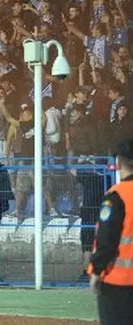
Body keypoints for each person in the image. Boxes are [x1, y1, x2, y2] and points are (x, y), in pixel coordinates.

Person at [89, 138, 133, 324]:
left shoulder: (117, 196)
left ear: (119, 162)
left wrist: (96, 270)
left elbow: (107, 239)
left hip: (118, 282)